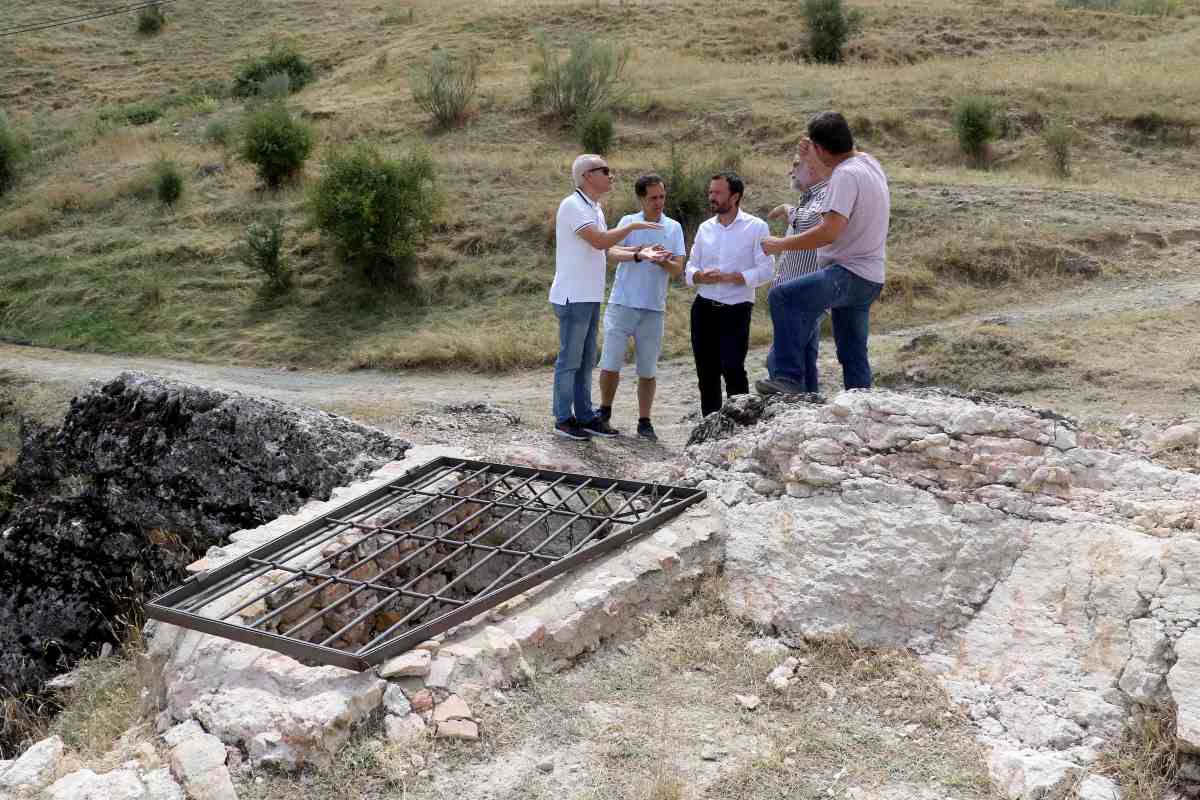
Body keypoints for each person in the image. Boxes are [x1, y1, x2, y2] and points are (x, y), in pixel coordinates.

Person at [758, 112, 890, 395]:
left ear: (820, 148)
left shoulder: (844, 176)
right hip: (871, 276)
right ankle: (862, 403)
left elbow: (828, 232)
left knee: (782, 296)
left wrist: (780, 244)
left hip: (848, 273)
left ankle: (788, 378)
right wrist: (814, 158)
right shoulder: (868, 162)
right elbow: (837, 167)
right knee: (852, 352)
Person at [550, 154, 669, 440]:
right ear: (587, 176)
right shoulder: (573, 205)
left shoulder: (594, 208)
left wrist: (639, 254)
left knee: (586, 358)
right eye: (605, 170)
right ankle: (564, 418)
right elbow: (600, 241)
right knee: (570, 359)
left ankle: (585, 415)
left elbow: (604, 251)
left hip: (589, 296)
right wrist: (631, 228)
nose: (611, 175)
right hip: (572, 295)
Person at [597, 174, 686, 442]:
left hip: (653, 308)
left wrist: (660, 261)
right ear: (641, 199)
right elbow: (611, 253)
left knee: (647, 369)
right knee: (610, 362)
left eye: (662, 196)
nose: (659, 202)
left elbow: (677, 268)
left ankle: (644, 421)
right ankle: (604, 412)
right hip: (622, 302)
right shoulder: (628, 222)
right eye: (653, 198)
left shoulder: (674, 227)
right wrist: (639, 254)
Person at [685, 170, 775, 417]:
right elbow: (690, 268)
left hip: (736, 308)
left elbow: (767, 270)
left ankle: (740, 423)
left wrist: (736, 277)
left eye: (717, 193)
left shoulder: (757, 227)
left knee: (733, 368)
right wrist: (700, 276)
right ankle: (710, 425)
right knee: (706, 370)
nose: (711, 197)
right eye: (710, 192)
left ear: (735, 196)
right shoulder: (705, 228)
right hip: (703, 307)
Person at [765, 146, 832, 393]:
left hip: (804, 295)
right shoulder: (808, 199)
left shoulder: (825, 193)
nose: (791, 171)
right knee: (804, 359)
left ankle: (795, 411)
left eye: (796, 165)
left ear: (812, 168)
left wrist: (786, 209)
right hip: (796, 295)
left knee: (779, 361)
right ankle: (810, 410)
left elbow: (812, 221)